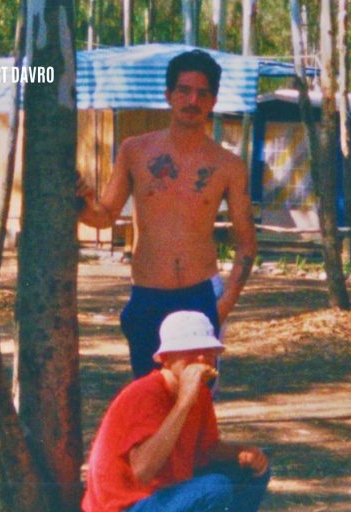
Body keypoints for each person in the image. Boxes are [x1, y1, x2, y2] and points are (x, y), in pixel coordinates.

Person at [77, 49, 257, 378]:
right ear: (168, 96)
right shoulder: (135, 151)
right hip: (147, 295)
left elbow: (247, 244)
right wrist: (80, 202)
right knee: (149, 396)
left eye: (202, 93)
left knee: (195, 396)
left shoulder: (228, 165)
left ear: (214, 101)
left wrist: (223, 305)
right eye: (184, 90)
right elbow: (103, 217)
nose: (193, 100)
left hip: (200, 294)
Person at [81, 311, 270, 512]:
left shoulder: (200, 395)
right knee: (214, 488)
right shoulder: (145, 394)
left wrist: (244, 454)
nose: (203, 360)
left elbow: (206, 452)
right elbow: (143, 471)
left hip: (160, 507)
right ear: (165, 359)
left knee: (250, 472)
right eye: (192, 353)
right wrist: (183, 403)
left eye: (209, 352)